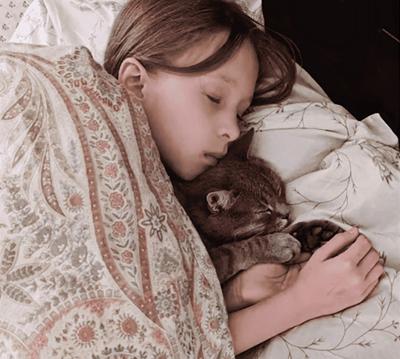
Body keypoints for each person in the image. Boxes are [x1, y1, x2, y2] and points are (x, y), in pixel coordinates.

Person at [103, 0, 385, 355]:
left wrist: (237, 292)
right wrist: (301, 301)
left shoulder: (169, 188)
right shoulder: (100, 167)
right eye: (213, 97)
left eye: (241, 112)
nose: (232, 130)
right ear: (134, 82)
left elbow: (166, 315)